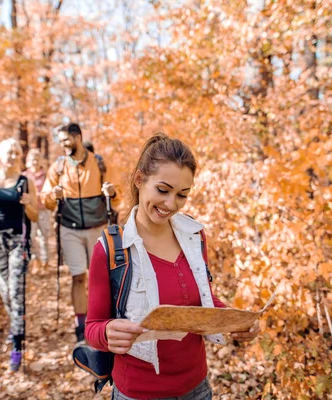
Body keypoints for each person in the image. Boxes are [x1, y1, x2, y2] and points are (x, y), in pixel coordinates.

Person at [85, 133, 260, 399]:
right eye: (163, 190)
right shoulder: (110, 249)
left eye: (182, 195)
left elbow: (202, 299)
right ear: (139, 179)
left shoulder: (194, 236)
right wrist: (107, 332)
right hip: (138, 392)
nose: (170, 204)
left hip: (197, 387)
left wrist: (236, 321)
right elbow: (93, 327)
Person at [40, 123, 120, 343]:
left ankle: (100, 320)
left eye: (66, 140)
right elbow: (46, 200)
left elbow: (119, 195)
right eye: (60, 141)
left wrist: (112, 192)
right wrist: (52, 195)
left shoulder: (100, 163)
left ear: (77, 137)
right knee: (77, 277)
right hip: (70, 228)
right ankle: (80, 326)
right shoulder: (58, 167)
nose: (63, 144)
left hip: (97, 227)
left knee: (99, 278)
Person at [0, 138, 39, 372]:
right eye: (8, 152)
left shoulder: (25, 182)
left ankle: (18, 345)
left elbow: (34, 215)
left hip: (18, 242)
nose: (12, 156)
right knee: (5, 292)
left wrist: (27, 204)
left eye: (16, 152)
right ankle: (15, 327)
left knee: (16, 292)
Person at [23, 149, 51, 269]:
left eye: (37, 159)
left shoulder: (46, 175)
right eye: (32, 159)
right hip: (30, 210)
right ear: (28, 161)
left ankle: (45, 261)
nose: (34, 162)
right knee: (31, 236)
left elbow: (49, 190)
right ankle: (36, 260)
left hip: (43, 209)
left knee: (44, 235)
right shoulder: (24, 176)